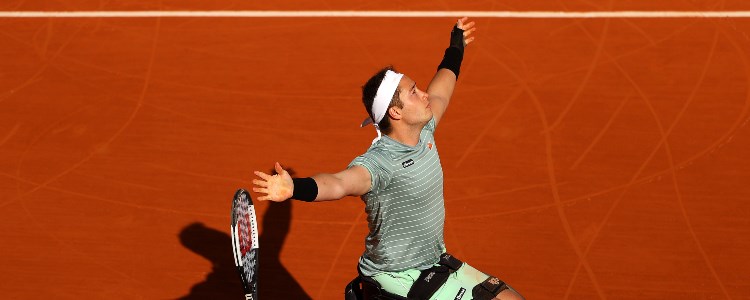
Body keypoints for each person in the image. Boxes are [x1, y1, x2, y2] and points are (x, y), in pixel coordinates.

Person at [252, 17, 524, 300]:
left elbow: (445, 80)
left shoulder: (426, 129)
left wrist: (456, 44)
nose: (424, 94)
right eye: (414, 92)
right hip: (394, 278)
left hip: (433, 263)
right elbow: (339, 183)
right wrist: (294, 187)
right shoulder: (380, 163)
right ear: (396, 113)